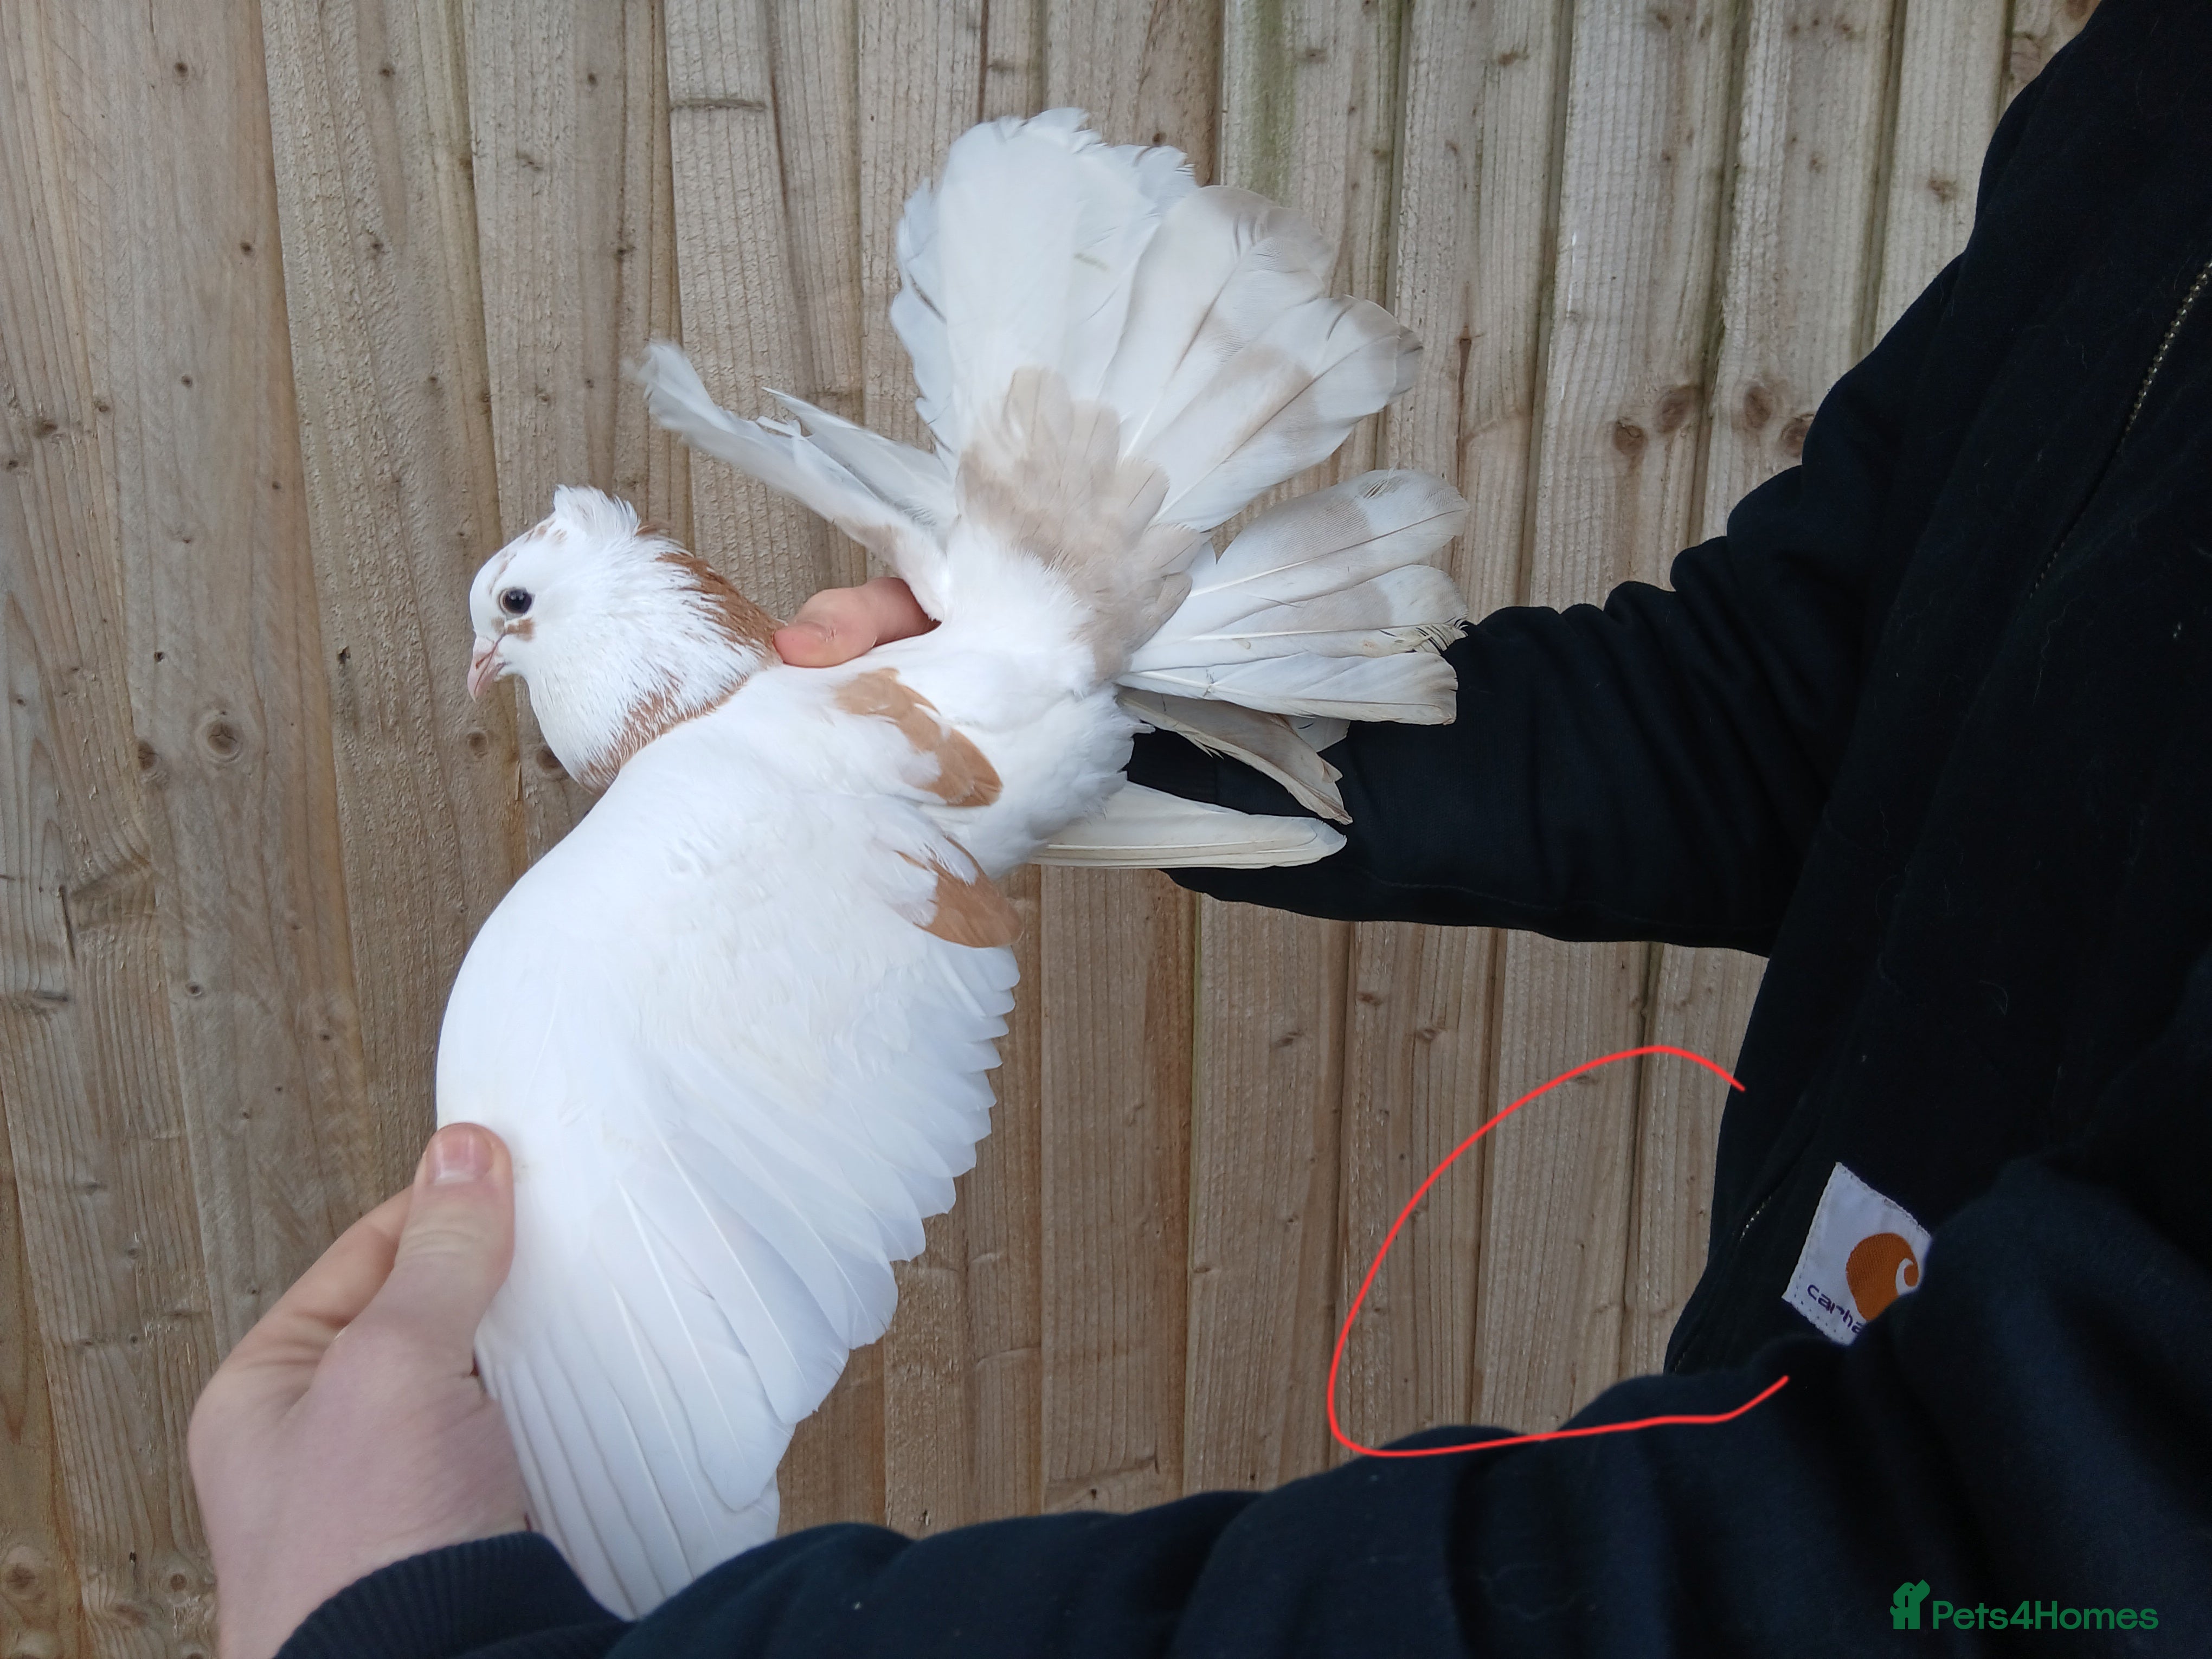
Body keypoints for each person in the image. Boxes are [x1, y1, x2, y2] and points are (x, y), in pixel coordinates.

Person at [191, 2, 2211, 1652]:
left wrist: (457, 1640)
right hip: (1785, 1330)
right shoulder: (2150, 89)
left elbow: (2025, 1549)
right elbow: (1790, 699)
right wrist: (1108, 715)